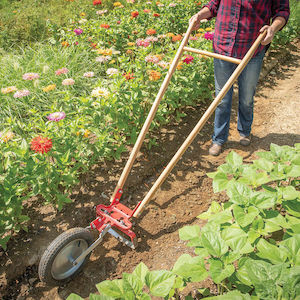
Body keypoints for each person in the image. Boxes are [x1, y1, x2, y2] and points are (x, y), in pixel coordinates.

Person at [189, 0, 290, 156]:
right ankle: (218, 139)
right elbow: (213, 5)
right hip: (223, 45)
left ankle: (244, 131)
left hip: (252, 47)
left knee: (247, 96)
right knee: (221, 98)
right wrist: (199, 15)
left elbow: (282, 11)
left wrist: (272, 28)